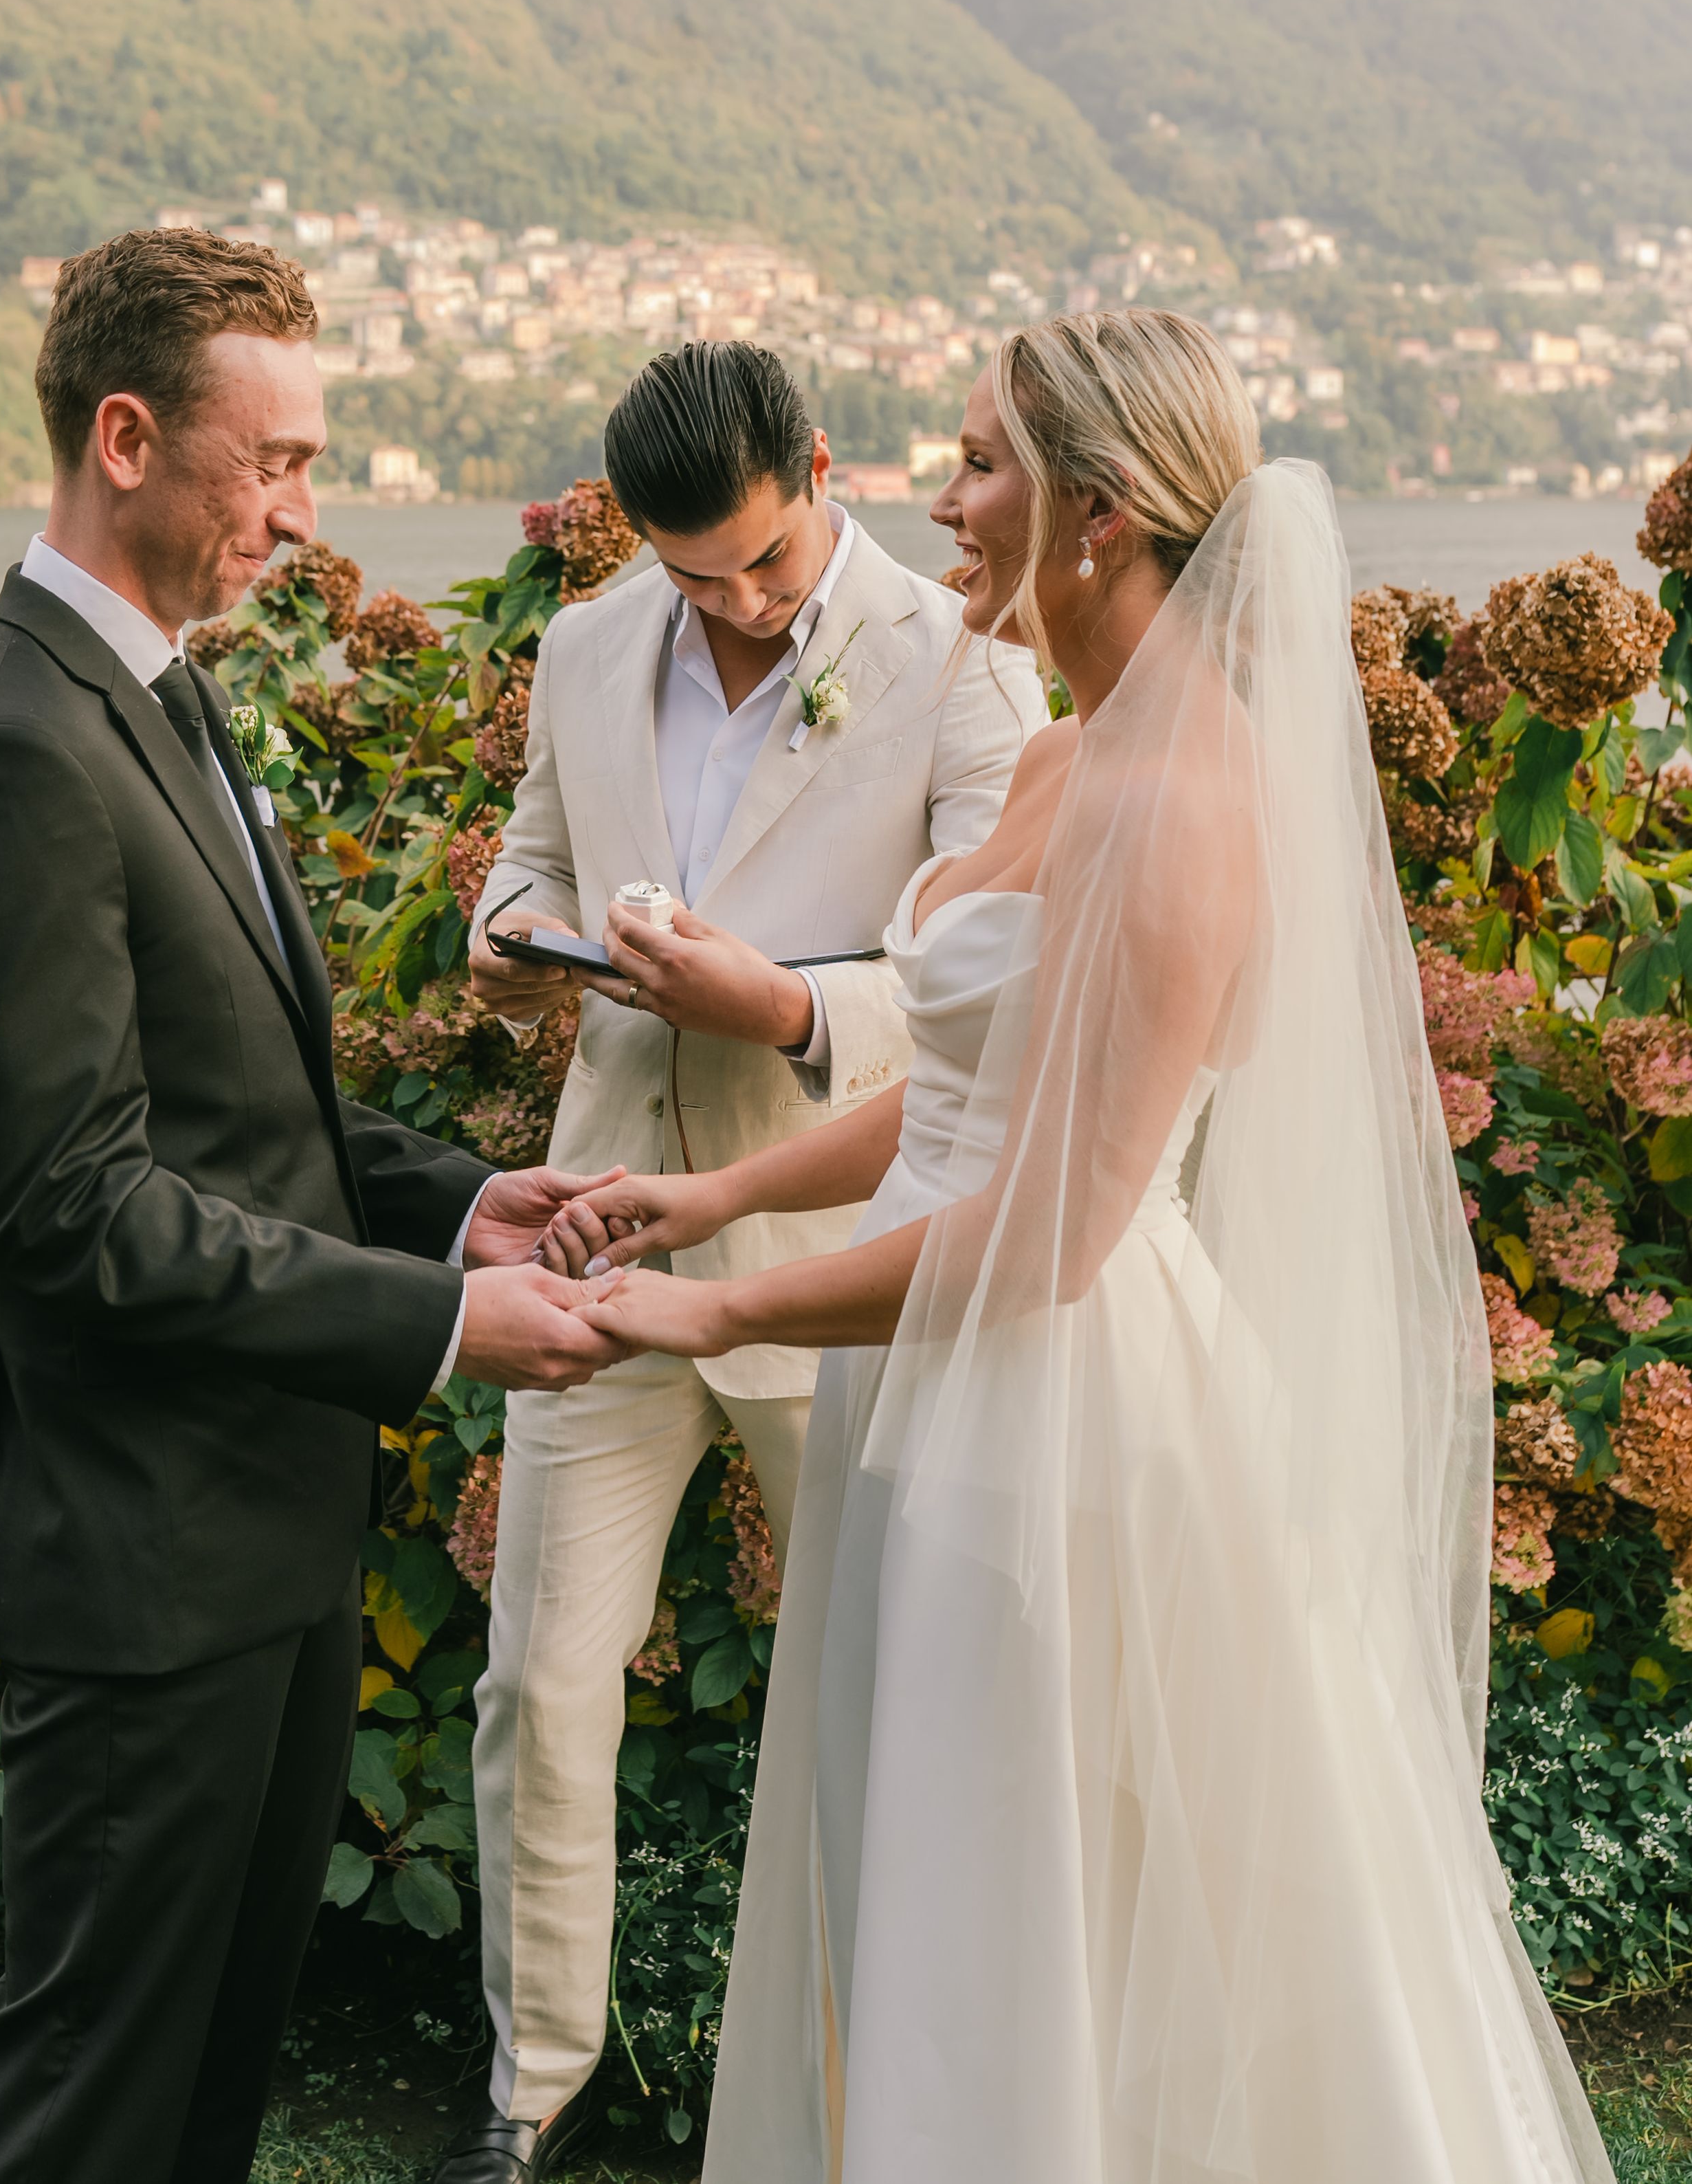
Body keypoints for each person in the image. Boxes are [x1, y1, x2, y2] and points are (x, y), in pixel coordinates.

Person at [554, 309, 1614, 2184]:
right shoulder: (1061, 757)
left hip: (1051, 1432)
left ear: (1101, 513)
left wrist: (701, 1303)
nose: (944, 502)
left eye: (981, 466)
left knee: (1019, 1916)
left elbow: (1048, 1232)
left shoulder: (1188, 805)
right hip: (927, 1372)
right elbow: (978, 1082)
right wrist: (715, 1193)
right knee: (921, 1872)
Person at [0, 230, 626, 2184]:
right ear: (125, 437)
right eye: (276, 461)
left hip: (264, 1528)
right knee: (87, 2107)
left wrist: (459, 1200)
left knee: (206, 2095)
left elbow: (241, 1103)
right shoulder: (15, 753)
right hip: (140, 1561)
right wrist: (448, 1328)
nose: (308, 515)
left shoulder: (160, 695)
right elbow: (78, 1213)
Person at [441, 340, 1043, 2183]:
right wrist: (532, 936)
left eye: (767, 564)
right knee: (540, 1677)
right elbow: (523, 870)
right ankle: (538, 2086)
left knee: (880, 1683)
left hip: (836, 1241)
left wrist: (779, 1001)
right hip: (608, 1217)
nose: (736, 603)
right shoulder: (582, 650)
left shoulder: (964, 660)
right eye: (695, 575)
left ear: (824, 470)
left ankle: (891, 2095)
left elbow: (992, 986)